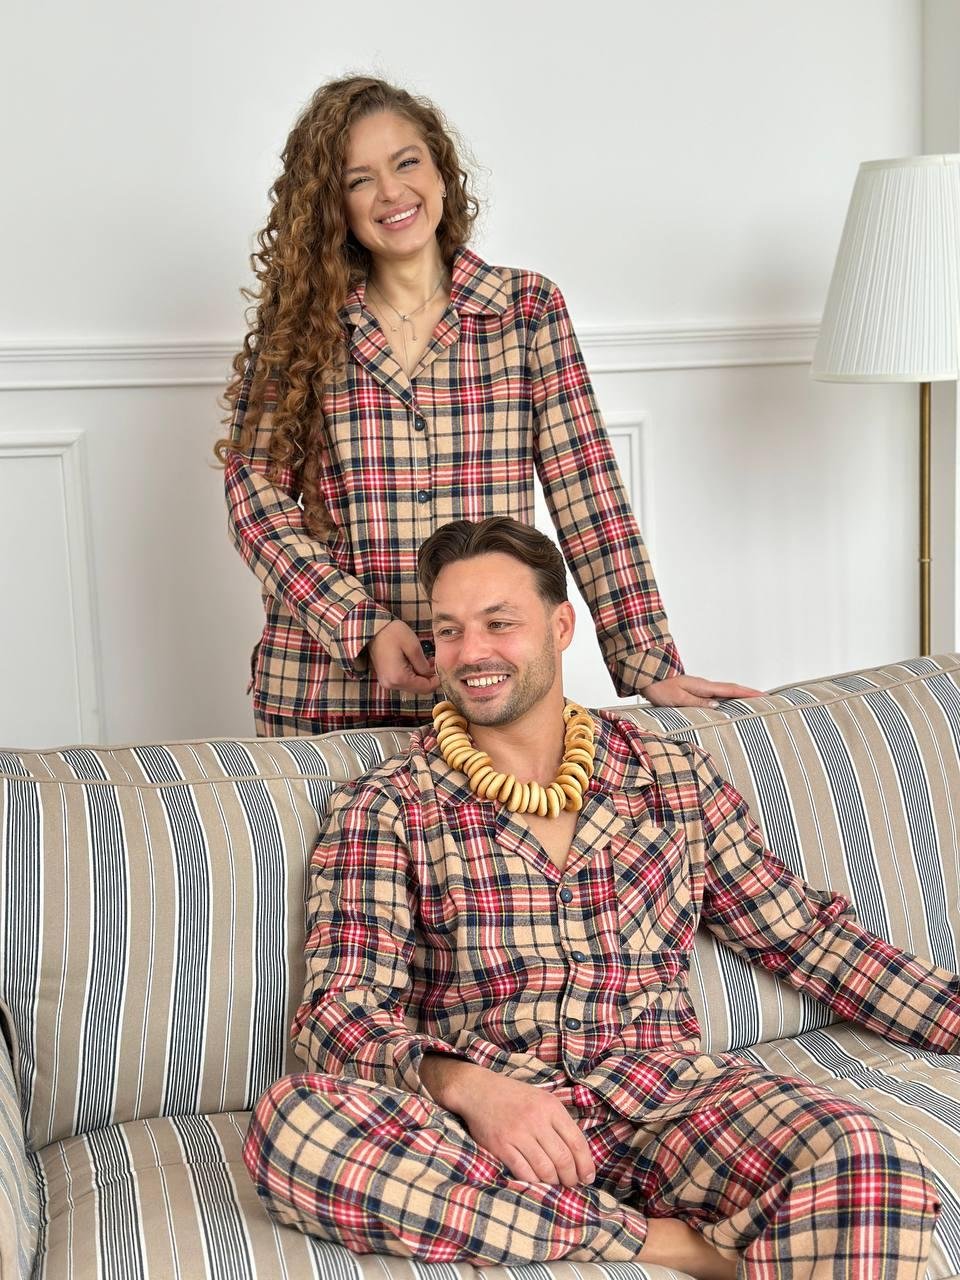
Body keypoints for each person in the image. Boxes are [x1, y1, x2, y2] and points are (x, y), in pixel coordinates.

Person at [243, 516, 958, 1279]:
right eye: (448, 630)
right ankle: (674, 1247)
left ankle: (627, 1234)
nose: (471, 651)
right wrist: (471, 1088)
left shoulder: (672, 776)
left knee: (870, 1162)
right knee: (295, 1127)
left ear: (561, 627)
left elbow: (808, 939)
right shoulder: (388, 805)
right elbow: (338, 1013)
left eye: (499, 623)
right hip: (492, 1132)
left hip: (670, 1104)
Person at [216, 75, 758, 735]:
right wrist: (361, 625)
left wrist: (646, 660)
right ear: (335, 206)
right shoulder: (301, 329)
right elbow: (255, 505)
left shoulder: (526, 311)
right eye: (359, 180)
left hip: (483, 688)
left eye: (406, 163)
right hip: (324, 693)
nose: (391, 192)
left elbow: (588, 495)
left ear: (442, 173)